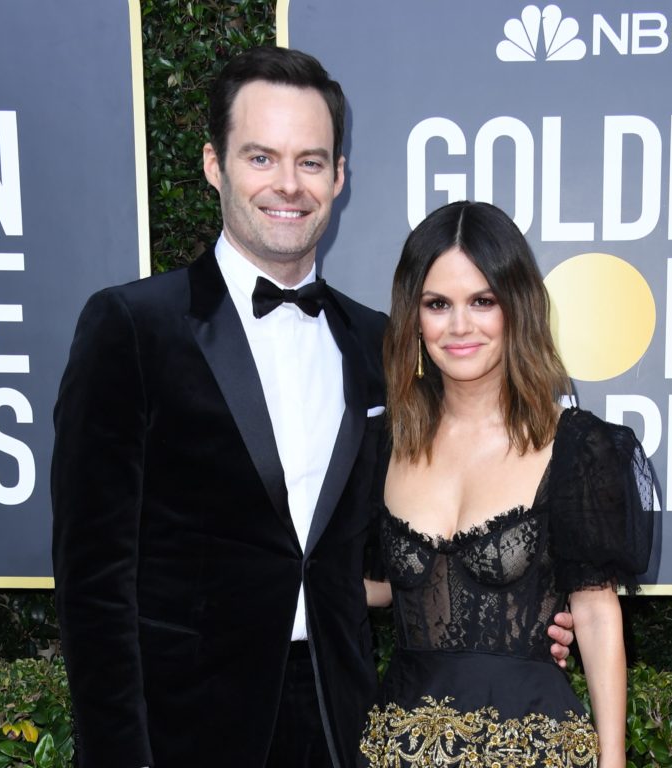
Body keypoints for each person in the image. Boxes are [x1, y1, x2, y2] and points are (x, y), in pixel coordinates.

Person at [52, 47, 575, 768]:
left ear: (338, 176)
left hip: (341, 722)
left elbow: (426, 521)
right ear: (214, 165)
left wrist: (527, 608)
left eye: (310, 161)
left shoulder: (380, 343)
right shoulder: (132, 327)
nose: (289, 184)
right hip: (186, 728)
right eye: (261, 157)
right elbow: (93, 580)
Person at [360, 201, 655, 768]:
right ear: (413, 316)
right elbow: (385, 586)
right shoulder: (386, 442)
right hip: (399, 748)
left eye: (483, 301)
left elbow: (595, 613)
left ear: (516, 307)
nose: (459, 326)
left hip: (533, 748)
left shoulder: (577, 445)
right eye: (438, 304)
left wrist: (613, 760)